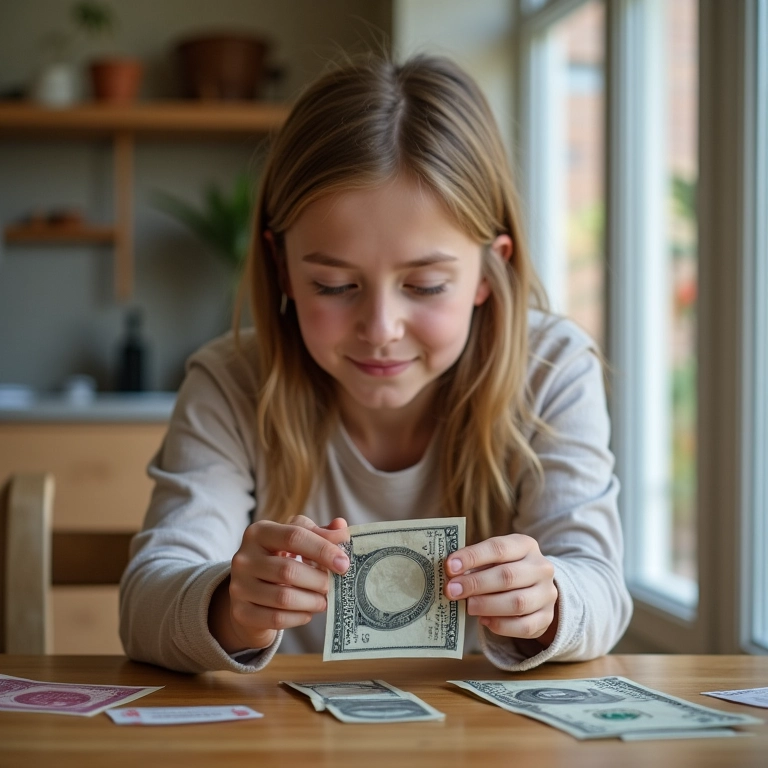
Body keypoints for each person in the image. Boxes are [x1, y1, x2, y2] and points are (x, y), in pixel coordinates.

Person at [119, 52, 632, 674]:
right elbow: (146, 601)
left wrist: (547, 601)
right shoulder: (231, 382)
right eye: (335, 286)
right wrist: (229, 605)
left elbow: (601, 590)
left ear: (487, 271)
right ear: (282, 268)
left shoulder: (551, 368)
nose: (381, 329)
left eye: (425, 286)